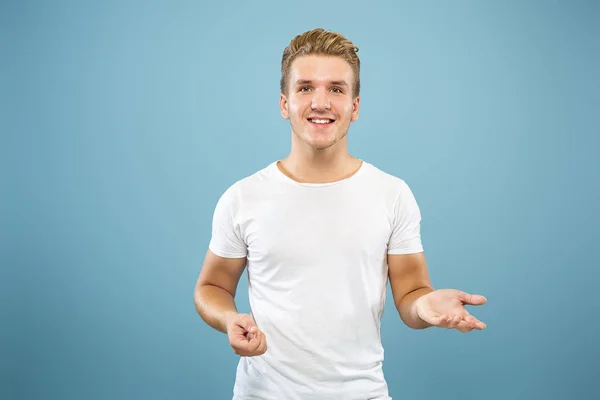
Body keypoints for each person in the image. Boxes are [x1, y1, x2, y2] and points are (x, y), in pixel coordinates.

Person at [193, 27, 487, 400]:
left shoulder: (392, 194)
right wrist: (229, 318)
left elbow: (411, 293)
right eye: (305, 88)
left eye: (336, 88)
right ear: (284, 104)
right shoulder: (243, 197)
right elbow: (212, 287)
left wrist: (428, 306)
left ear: (355, 106)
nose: (321, 102)